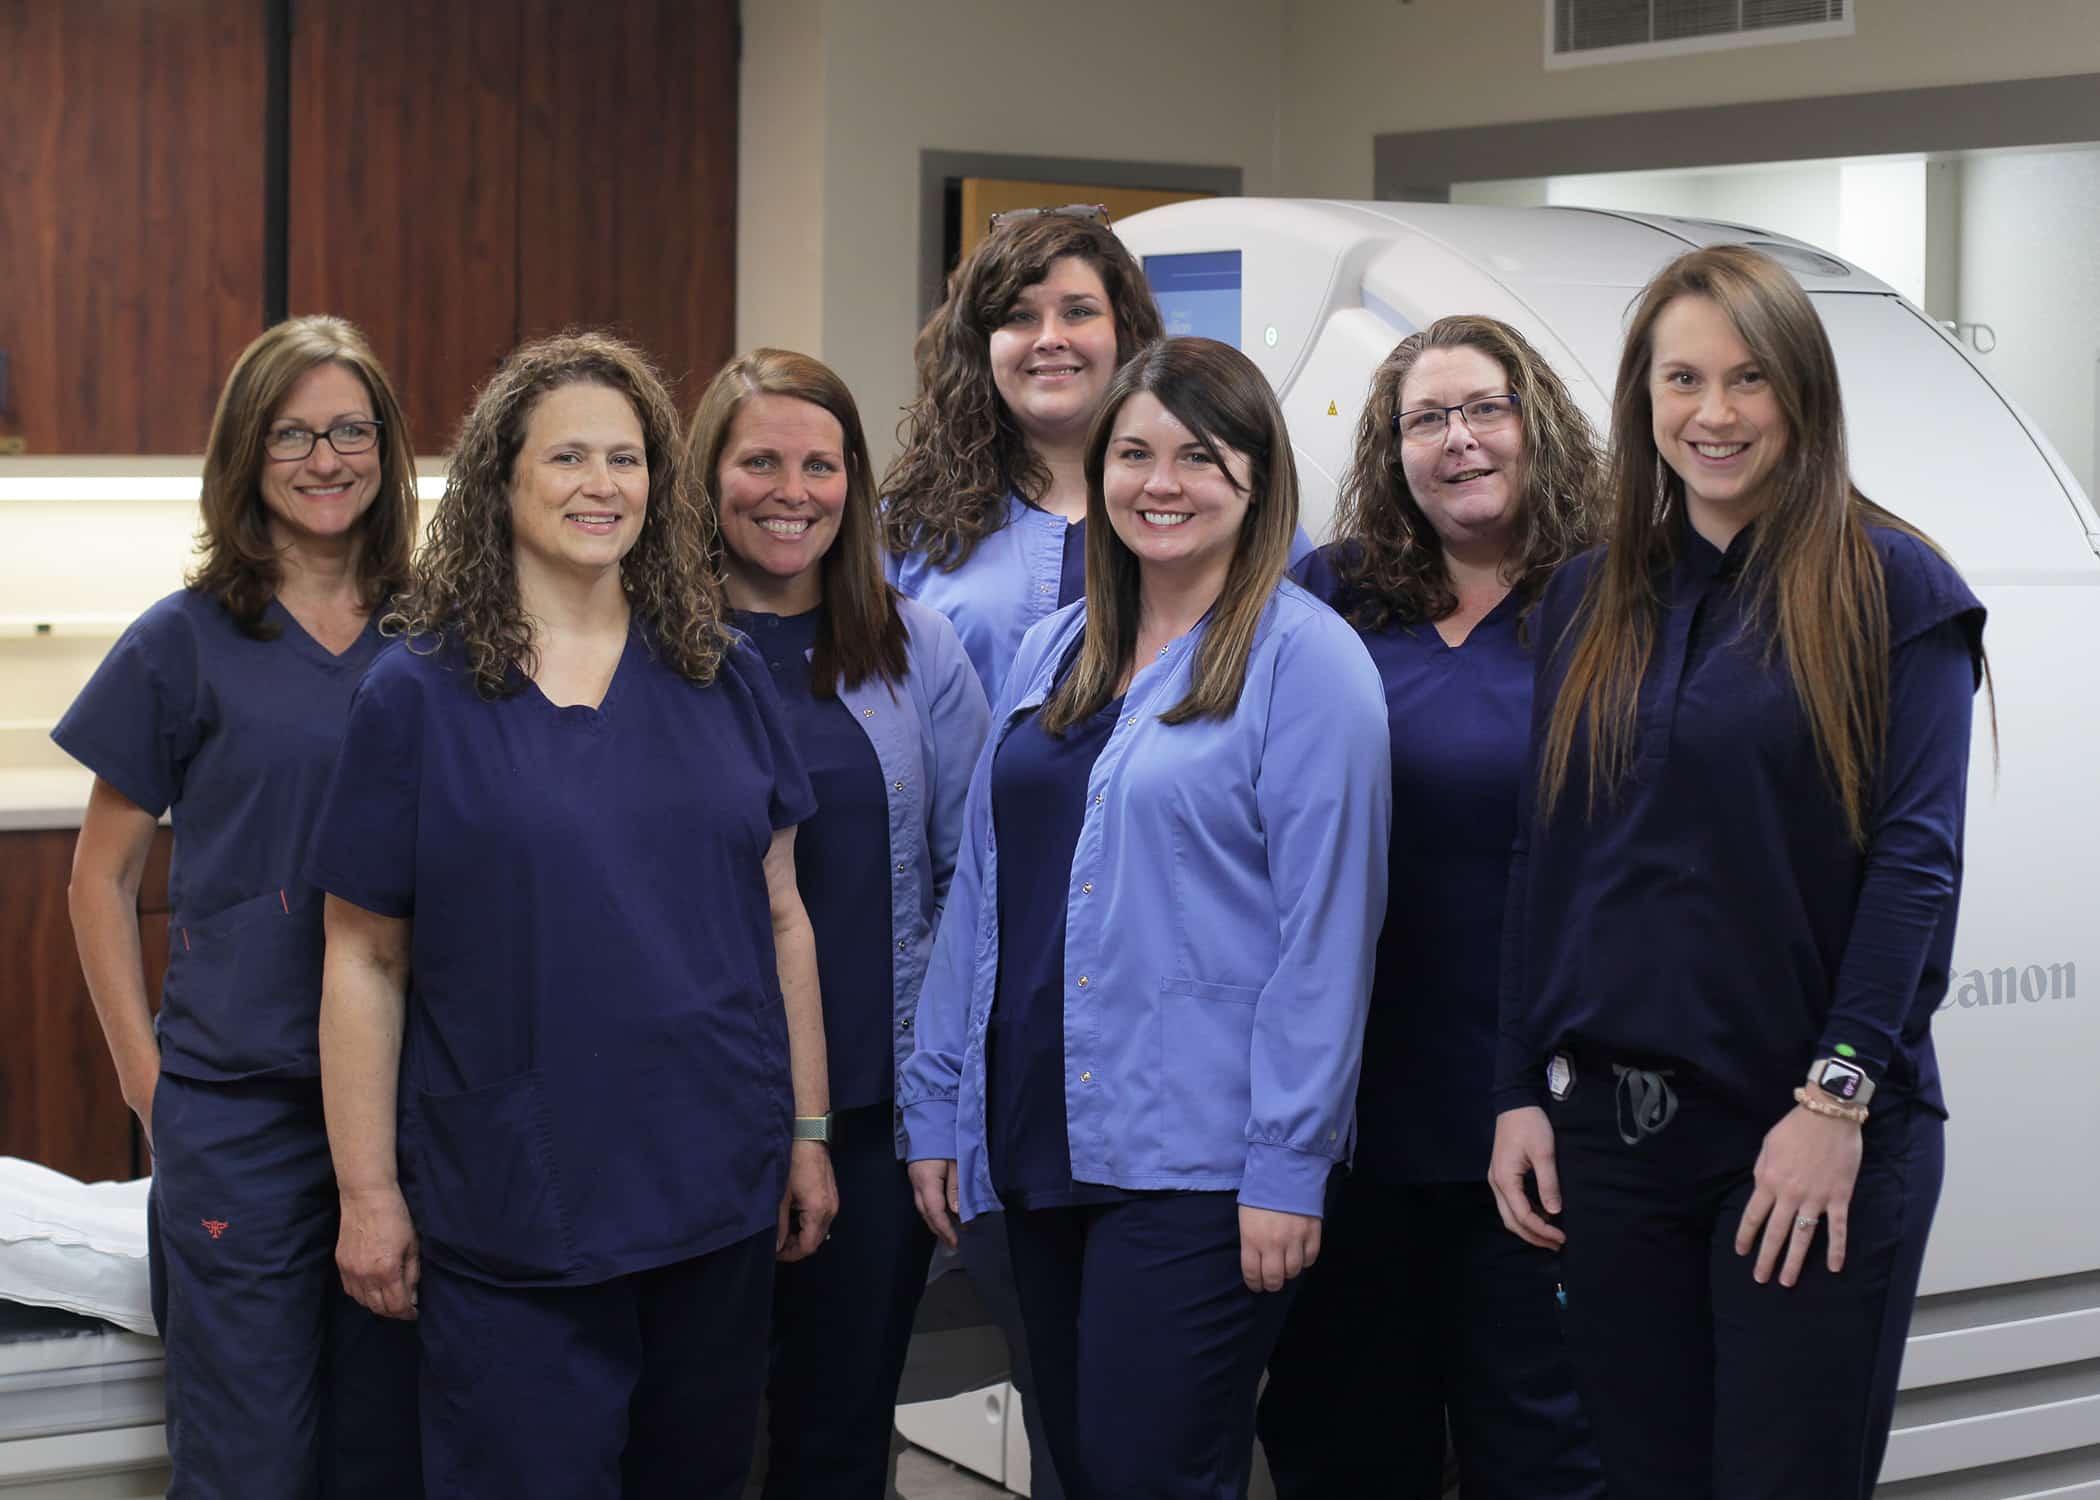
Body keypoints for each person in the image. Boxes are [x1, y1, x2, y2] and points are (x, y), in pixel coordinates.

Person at [1488, 245, 1989, 1500]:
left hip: (1806, 1136)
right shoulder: (1588, 597)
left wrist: (1835, 1105)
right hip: (1612, 1136)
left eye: (1749, 379)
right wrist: (1515, 1089)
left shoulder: (1893, 584)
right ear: (1642, 398)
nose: (1713, 414)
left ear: (1802, 395)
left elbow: (1916, 869)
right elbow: (1546, 857)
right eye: (1683, 379)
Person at [305, 332, 838, 1499]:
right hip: (515, 1203)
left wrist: (806, 1132)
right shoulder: (419, 692)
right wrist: (368, 1193)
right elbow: (363, 959)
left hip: (716, 1184)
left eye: (628, 458)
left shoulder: (722, 672)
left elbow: (783, 919)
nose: (603, 485)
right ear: (502, 480)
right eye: (568, 459)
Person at [901, 336, 1391, 1500]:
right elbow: (980, 895)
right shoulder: (1053, 648)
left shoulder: (1308, 664)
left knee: (1151, 1473)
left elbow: (1330, 937)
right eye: (1133, 454)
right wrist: (936, 1109)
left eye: (1196, 456)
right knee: (1082, 1473)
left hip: (1198, 1167)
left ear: (1257, 479)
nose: (1159, 483)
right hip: (1027, 1144)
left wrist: (1288, 1164)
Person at [53, 314, 423, 1496]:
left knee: (387, 1453)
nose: (327, 460)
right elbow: (100, 880)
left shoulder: (438, 637)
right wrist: (149, 1087)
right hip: (242, 1110)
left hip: (419, 1109)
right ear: (245, 458)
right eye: (293, 435)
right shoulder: (185, 642)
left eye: (351, 430)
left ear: (387, 446)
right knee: (250, 1462)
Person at [1258, 317, 1607, 1499]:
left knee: (1540, 1446)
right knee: (1345, 1438)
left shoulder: (1609, 601)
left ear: (1538, 423)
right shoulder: (1341, 593)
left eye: (1485, 409)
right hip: (1355, 1114)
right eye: (1425, 418)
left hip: (1541, 1106)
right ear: (1390, 446)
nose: (1459, 441)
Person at [688, 348, 990, 1498]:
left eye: (821, 464)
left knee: (839, 1437)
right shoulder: (651, 652)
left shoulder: (915, 650)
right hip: (692, 1114)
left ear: (853, 483)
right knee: (690, 1436)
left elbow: (975, 886)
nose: (791, 490)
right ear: (707, 477)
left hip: (871, 1113)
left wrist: (947, 1106)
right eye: (759, 460)